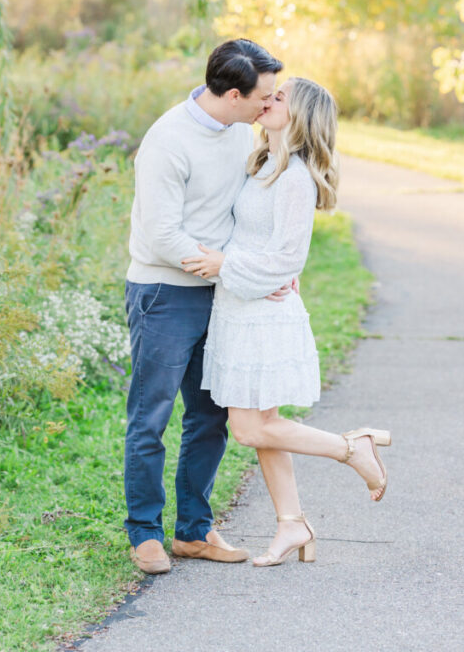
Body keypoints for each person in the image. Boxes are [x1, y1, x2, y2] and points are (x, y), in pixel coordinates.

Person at [183, 77, 391, 567]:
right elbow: (255, 242)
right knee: (267, 422)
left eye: (278, 98)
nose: (266, 101)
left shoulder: (295, 176)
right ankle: (292, 525)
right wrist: (234, 265)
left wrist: (223, 265)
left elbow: (287, 259)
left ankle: (350, 447)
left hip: (264, 316)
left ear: (301, 118)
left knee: (251, 430)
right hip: (239, 309)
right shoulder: (260, 162)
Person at [123, 38, 287, 575]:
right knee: (151, 416)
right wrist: (226, 266)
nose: (271, 106)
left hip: (222, 294)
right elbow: (163, 233)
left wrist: (255, 270)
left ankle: (193, 531)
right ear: (234, 94)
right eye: (264, 97)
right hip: (164, 295)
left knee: (211, 415)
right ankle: (144, 532)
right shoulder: (168, 140)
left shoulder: (243, 131)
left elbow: (250, 208)